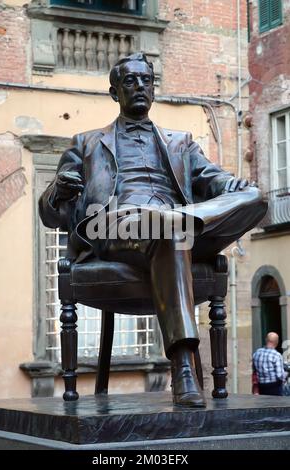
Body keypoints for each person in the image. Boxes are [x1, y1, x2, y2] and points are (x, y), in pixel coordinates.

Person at [39, 53, 267, 408]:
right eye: (130, 81)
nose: (140, 86)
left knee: (251, 198)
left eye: (147, 80)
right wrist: (58, 190)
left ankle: (188, 220)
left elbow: (217, 181)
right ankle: (184, 368)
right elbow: (51, 216)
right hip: (114, 225)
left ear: (154, 89)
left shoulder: (181, 142)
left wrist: (236, 189)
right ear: (115, 92)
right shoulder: (85, 143)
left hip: (176, 225)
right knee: (171, 228)